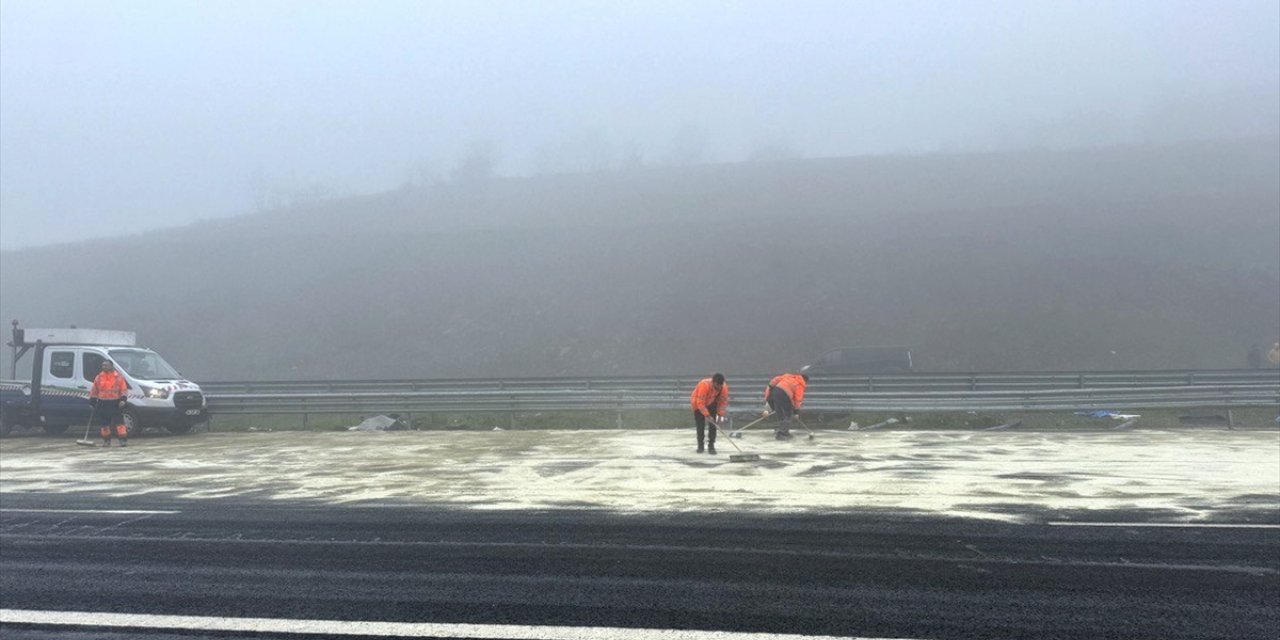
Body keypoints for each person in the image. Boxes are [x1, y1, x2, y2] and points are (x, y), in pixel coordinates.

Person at [90, 360, 129, 447]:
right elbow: (94, 390)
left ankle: (123, 440)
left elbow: (123, 389)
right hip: (102, 403)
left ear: (111, 366)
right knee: (104, 424)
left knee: (119, 424)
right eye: (103, 365)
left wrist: (123, 400)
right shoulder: (99, 377)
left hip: (116, 403)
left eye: (106, 365)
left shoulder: (118, 377)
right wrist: (92, 401)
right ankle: (106, 441)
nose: (104, 367)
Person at [690, 373, 729, 454]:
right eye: (718, 385)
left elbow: (723, 402)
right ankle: (700, 446)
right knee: (700, 425)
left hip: (711, 402)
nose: (719, 387)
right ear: (713, 382)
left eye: (720, 385)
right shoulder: (704, 385)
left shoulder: (723, 388)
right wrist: (707, 415)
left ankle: (711, 446)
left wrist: (720, 415)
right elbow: (700, 403)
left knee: (713, 424)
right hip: (697, 404)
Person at [764, 372, 808, 440]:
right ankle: (783, 434)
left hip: (776, 391)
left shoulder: (788, 377)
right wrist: (796, 412)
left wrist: (771, 387)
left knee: (779, 413)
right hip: (785, 395)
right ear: (805, 380)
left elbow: (774, 381)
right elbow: (798, 399)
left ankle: (779, 429)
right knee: (788, 415)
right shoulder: (800, 384)